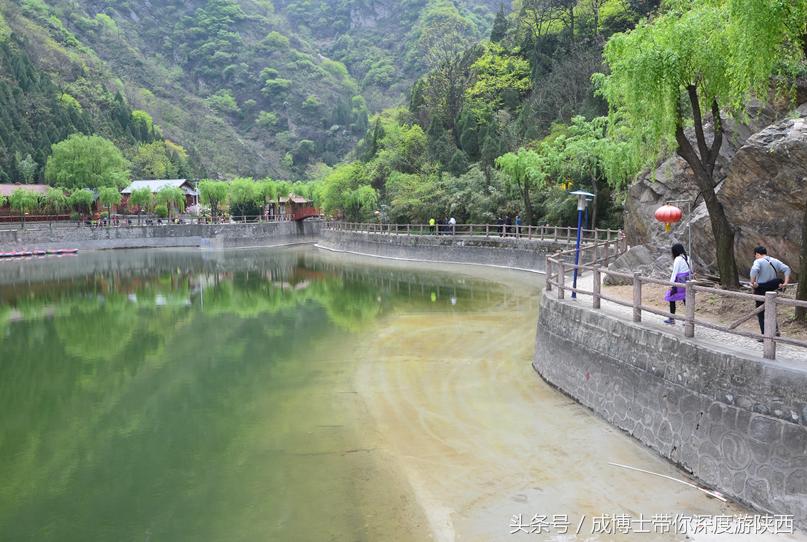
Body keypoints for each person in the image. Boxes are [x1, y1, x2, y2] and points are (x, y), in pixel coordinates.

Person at [750, 246, 790, 336]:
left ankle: (765, 335)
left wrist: (752, 282)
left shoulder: (758, 261)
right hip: (773, 289)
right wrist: (785, 283)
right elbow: (787, 268)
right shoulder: (775, 261)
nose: (755, 257)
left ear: (757, 254)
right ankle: (775, 331)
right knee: (771, 310)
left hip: (761, 290)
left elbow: (754, 270)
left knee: (761, 312)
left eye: (755, 255)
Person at [663, 243, 691, 324]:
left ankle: (672, 318)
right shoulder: (688, 257)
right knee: (685, 299)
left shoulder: (678, 259)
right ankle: (688, 320)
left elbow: (674, 273)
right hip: (686, 282)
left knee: (671, 297)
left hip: (678, 282)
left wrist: (671, 285)